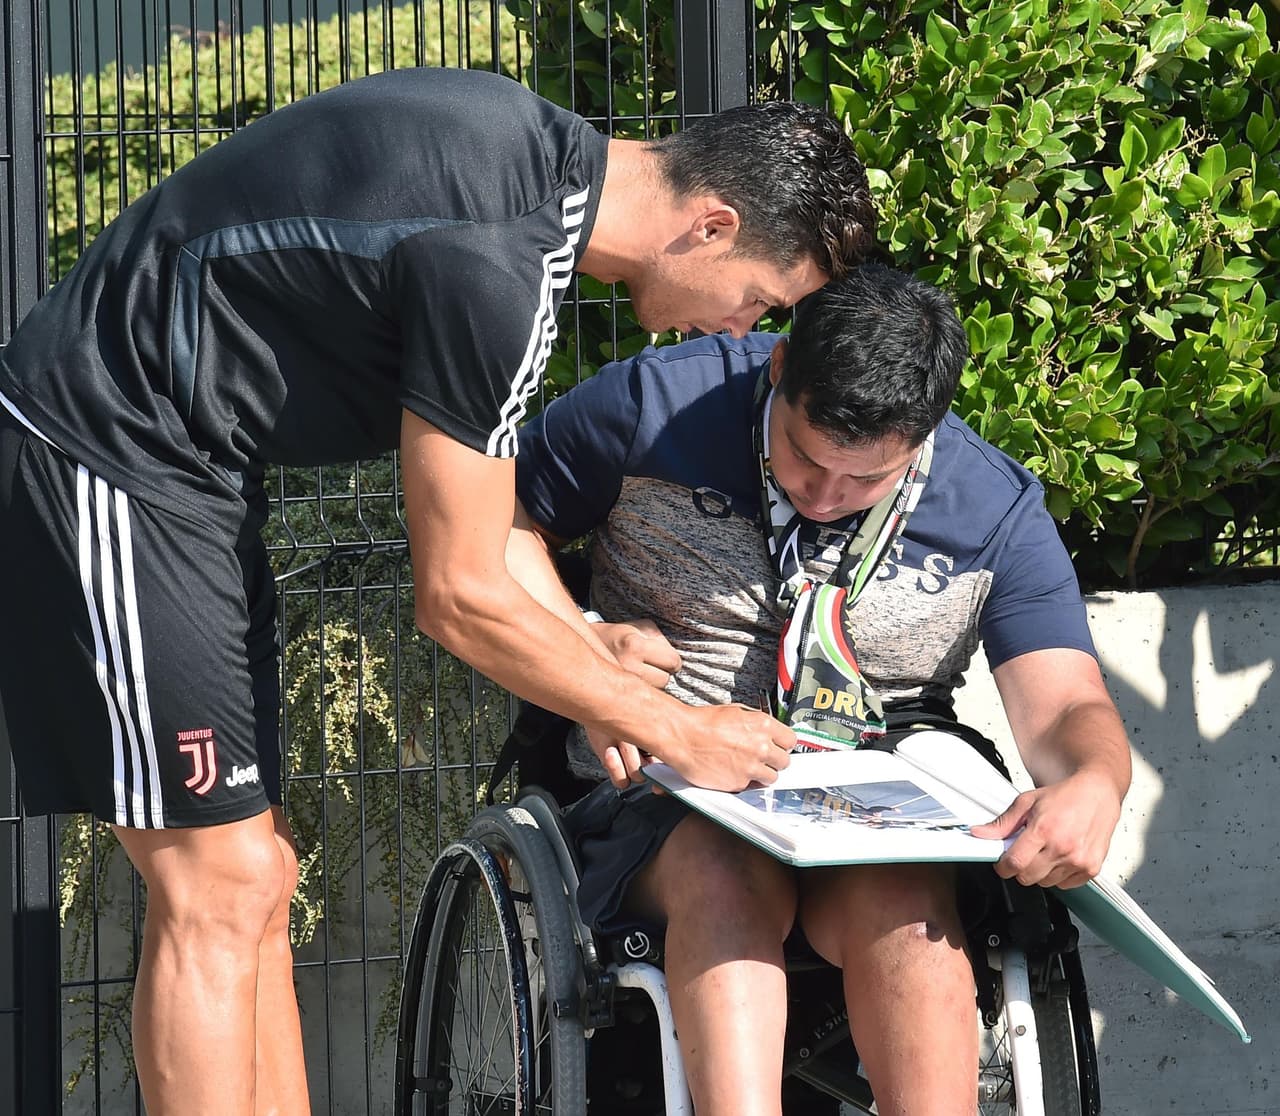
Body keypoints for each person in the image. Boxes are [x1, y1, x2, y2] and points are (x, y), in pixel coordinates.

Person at [0, 66, 877, 1115]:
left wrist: (585, 650)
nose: (739, 334)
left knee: (259, 875)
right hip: (103, 449)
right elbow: (455, 593)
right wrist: (666, 725)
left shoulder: (531, 172)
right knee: (216, 884)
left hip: (182, 475)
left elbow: (487, 528)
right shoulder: (498, 257)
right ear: (710, 225)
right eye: (758, 302)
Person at [508, 263, 1134, 1115]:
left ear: (925, 436)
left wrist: (1097, 782)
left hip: (872, 796)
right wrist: (580, 644)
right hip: (671, 781)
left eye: (866, 482)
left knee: (910, 899)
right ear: (777, 372)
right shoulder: (651, 408)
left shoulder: (994, 508)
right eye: (804, 458)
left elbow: (1064, 704)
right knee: (721, 873)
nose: (826, 497)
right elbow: (488, 525)